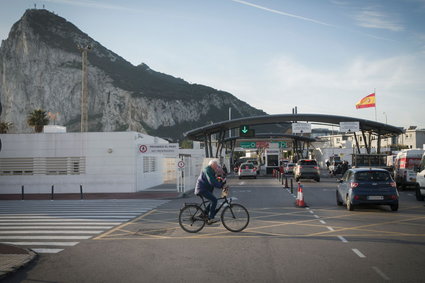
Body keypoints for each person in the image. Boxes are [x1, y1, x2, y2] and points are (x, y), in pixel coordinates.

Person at [194, 160, 228, 224]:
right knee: (214, 200)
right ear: (211, 165)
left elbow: (215, 179)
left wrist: (221, 182)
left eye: (216, 166)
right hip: (202, 189)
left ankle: (203, 214)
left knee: (212, 201)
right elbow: (211, 181)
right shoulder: (207, 170)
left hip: (205, 189)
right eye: (215, 166)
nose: (216, 167)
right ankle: (211, 218)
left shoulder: (211, 170)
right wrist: (221, 186)